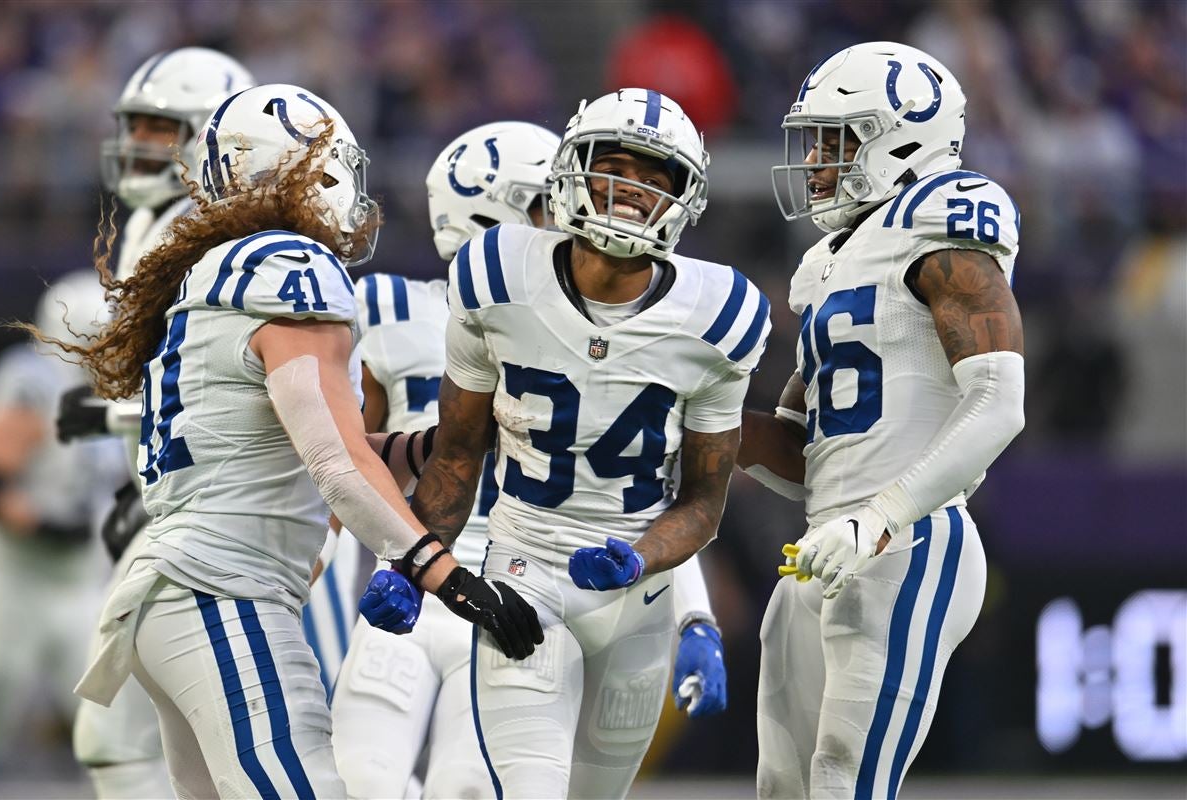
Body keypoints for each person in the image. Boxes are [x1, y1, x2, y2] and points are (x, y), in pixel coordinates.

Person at [53, 83, 542, 798]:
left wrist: (437, 442)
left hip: (181, 590)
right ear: (300, 166)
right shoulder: (288, 267)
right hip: (223, 593)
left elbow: (309, 447)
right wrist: (449, 579)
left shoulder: (221, 268)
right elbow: (332, 463)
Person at [331, 119, 729, 798]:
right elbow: (352, 469)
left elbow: (650, 499)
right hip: (425, 581)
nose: (583, 214)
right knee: (354, 783)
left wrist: (695, 615)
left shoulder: (587, 331)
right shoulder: (390, 311)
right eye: (553, 201)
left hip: (518, 590)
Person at [746, 42, 1025, 799]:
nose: (816, 162)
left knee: (846, 775)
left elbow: (1000, 400)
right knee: (784, 784)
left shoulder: (944, 215)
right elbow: (814, 449)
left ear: (905, 137)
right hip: (824, 544)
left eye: (835, 140)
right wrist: (703, 425)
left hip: (910, 536)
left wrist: (878, 519)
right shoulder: (828, 262)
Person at [57, 47, 255, 800]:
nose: (138, 140)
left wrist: (116, 419)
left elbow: (217, 383)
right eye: (133, 123)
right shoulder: (161, 220)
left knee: (149, 739)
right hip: (189, 504)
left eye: (159, 126)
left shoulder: (203, 233)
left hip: (224, 517)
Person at [0, 273, 129, 767]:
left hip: (79, 578)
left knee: (108, 731)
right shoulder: (34, 379)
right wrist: (50, 528)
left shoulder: (101, 390)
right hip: (18, 574)